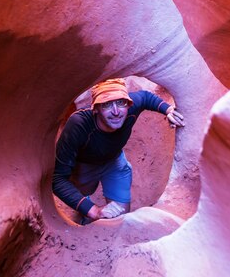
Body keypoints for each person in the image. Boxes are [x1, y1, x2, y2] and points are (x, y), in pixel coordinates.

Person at [52, 78, 185, 224]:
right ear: (95, 109)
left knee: (119, 217)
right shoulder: (79, 125)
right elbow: (57, 179)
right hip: (85, 166)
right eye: (106, 104)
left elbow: (146, 97)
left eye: (121, 103)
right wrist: (94, 210)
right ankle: (85, 210)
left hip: (114, 161)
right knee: (83, 199)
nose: (116, 111)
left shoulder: (131, 108)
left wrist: (168, 109)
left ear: (129, 104)